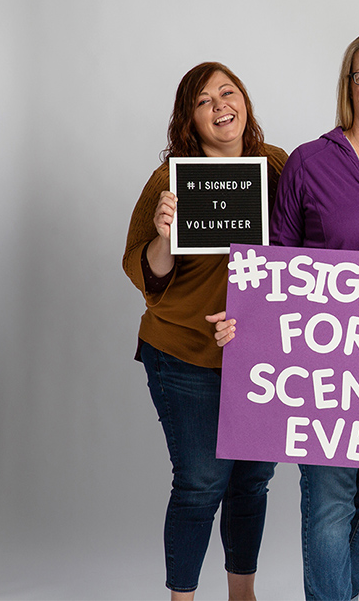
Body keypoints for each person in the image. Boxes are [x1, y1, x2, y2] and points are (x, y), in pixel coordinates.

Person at [219, 31, 359, 601]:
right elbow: (276, 260)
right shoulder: (309, 162)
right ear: (349, 86)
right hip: (324, 368)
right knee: (327, 503)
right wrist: (243, 322)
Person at [123, 62, 288, 601]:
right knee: (200, 484)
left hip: (259, 353)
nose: (220, 105)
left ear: (245, 101)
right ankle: (183, 599)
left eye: (228, 92)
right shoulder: (170, 179)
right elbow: (142, 271)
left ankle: (243, 594)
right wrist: (164, 235)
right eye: (203, 100)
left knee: (252, 482)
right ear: (189, 122)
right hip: (184, 351)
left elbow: (311, 241)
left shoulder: (277, 167)